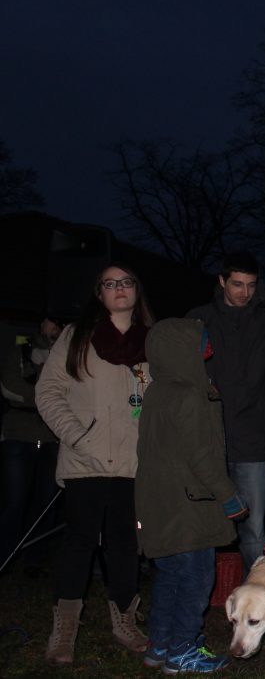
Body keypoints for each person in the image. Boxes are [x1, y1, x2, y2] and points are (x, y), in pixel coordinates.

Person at [35, 264, 154, 665]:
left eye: (126, 282)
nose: (119, 288)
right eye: (109, 283)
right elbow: (48, 391)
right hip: (85, 460)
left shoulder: (151, 342)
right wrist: (77, 436)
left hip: (131, 464)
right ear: (99, 293)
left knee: (124, 545)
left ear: (137, 290)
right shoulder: (76, 336)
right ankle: (64, 629)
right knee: (78, 543)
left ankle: (125, 621)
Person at [135, 318, 249, 673]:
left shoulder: (156, 392)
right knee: (196, 579)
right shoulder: (191, 395)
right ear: (182, 349)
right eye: (201, 343)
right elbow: (203, 455)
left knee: (169, 576)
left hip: (161, 504)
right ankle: (183, 649)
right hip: (190, 506)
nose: (207, 349)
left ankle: (160, 645)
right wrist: (229, 497)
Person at [186, 251, 265, 575]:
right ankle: (200, 592)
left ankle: (255, 589)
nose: (244, 292)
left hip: (252, 441)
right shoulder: (198, 320)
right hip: (206, 441)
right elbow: (182, 379)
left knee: (253, 529)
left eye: (251, 285)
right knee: (204, 525)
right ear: (222, 281)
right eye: (237, 284)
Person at [1, 317, 62, 575]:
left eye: (58, 324)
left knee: (46, 502)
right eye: (50, 322)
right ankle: (5, 555)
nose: (54, 328)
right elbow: (9, 386)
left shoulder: (66, 355)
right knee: (14, 500)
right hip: (19, 436)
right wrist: (44, 397)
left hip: (52, 438)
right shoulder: (21, 350)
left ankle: (34, 559)